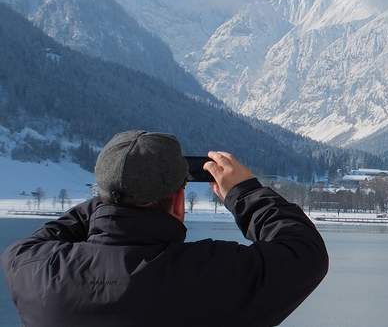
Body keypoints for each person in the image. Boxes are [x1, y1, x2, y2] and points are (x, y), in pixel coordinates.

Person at [1, 130, 328, 327]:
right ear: (178, 202)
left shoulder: (36, 271)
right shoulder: (209, 277)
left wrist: (113, 194)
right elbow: (304, 253)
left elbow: (46, 237)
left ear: (102, 196)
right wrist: (246, 192)